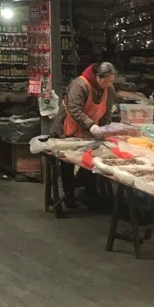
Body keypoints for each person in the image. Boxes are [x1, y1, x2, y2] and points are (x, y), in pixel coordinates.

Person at [54, 61, 117, 208]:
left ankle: (89, 193)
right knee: (67, 160)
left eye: (111, 81)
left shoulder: (109, 89)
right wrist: (91, 125)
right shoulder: (80, 84)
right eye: (106, 81)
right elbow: (74, 108)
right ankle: (69, 194)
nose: (108, 85)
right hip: (71, 127)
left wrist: (104, 130)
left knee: (92, 158)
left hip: (91, 130)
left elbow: (107, 112)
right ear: (98, 77)